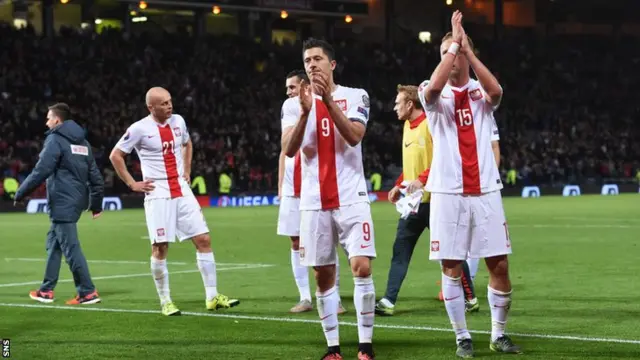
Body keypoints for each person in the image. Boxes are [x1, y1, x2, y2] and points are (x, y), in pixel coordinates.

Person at [418, 11, 521, 357]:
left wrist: (468, 49)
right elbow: (432, 89)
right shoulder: (431, 93)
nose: (451, 59)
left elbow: (498, 92)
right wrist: (452, 46)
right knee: (451, 265)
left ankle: (497, 335)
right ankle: (462, 336)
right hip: (448, 192)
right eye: (445, 54)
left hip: (486, 191)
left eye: (457, 52)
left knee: (500, 264)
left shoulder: (479, 91)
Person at [282, 38, 376, 360]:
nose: (311, 65)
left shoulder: (356, 96)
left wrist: (326, 102)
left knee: (361, 268)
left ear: (331, 64)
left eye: (317, 59)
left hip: (351, 196)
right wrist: (307, 111)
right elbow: (289, 150)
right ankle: (333, 348)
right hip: (313, 201)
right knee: (323, 276)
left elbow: (353, 137)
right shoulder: (294, 105)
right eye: (307, 60)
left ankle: (365, 345)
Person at [109, 87, 239, 316]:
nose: (170, 106)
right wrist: (132, 183)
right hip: (158, 192)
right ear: (151, 107)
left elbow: (187, 144)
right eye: (164, 103)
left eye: (170, 101)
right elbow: (116, 155)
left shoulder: (179, 121)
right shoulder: (139, 128)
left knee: (204, 239)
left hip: (181, 189)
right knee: (160, 248)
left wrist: (187, 169)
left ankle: (212, 297)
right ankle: (165, 300)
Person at [15, 103, 103, 305]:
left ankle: (87, 292)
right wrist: (96, 203)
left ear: (57, 120)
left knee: (71, 248)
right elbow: (95, 176)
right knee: (54, 244)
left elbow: (41, 170)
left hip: (62, 201)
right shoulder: (84, 143)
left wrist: (21, 193)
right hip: (76, 201)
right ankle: (46, 291)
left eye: (48, 118)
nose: (46, 122)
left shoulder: (55, 139)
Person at [278, 69, 347, 314]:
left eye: (292, 87)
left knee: (327, 242)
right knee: (295, 241)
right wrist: (280, 186)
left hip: (315, 182)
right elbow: (284, 148)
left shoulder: (323, 102)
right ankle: (305, 297)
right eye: (287, 88)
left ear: (305, 86)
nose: (288, 92)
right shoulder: (289, 107)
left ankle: (335, 298)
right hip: (291, 185)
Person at [466, 117, 500, 282]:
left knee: (477, 234)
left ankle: (468, 281)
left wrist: (491, 177)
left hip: (481, 184)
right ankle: (458, 280)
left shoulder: (486, 114)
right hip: (458, 184)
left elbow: (494, 146)